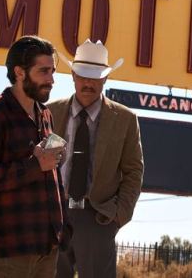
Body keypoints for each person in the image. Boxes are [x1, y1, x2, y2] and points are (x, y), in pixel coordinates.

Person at [0, 35, 68, 278]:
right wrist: (35, 165)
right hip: (11, 251)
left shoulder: (45, 115)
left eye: (52, 71)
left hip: (47, 247)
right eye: (43, 71)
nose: (51, 79)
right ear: (19, 72)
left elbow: (50, 172)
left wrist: (61, 228)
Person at [48, 39, 144, 278]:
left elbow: (134, 171)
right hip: (53, 213)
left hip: (98, 217)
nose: (88, 82)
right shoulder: (50, 112)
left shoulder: (125, 119)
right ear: (72, 75)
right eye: (82, 75)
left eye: (94, 76)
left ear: (105, 79)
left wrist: (118, 215)